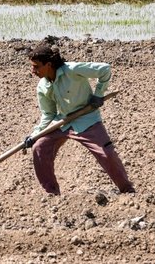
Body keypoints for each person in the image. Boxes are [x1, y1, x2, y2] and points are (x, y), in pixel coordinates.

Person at [23, 43, 134, 195]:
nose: (33, 71)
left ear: (48, 64)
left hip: (86, 119)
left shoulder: (72, 70)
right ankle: (52, 194)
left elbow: (104, 69)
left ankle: (127, 191)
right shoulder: (42, 86)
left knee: (106, 154)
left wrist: (99, 94)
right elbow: (48, 114)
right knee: (40, 147)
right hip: (62, 122)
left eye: (36, 67)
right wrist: (34, 134)